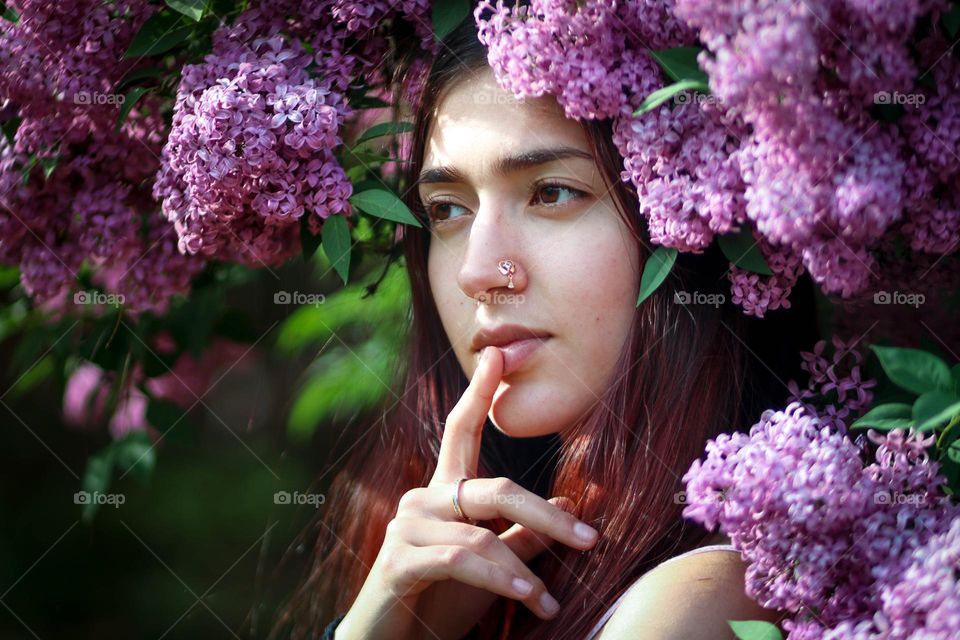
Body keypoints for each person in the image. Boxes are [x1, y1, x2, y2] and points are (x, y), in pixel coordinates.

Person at [273, 15, 817, 640]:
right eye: (447, 209)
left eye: (551, 194)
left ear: (686, 227)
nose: (478, 271)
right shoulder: (510, 575)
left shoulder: (691, 604)